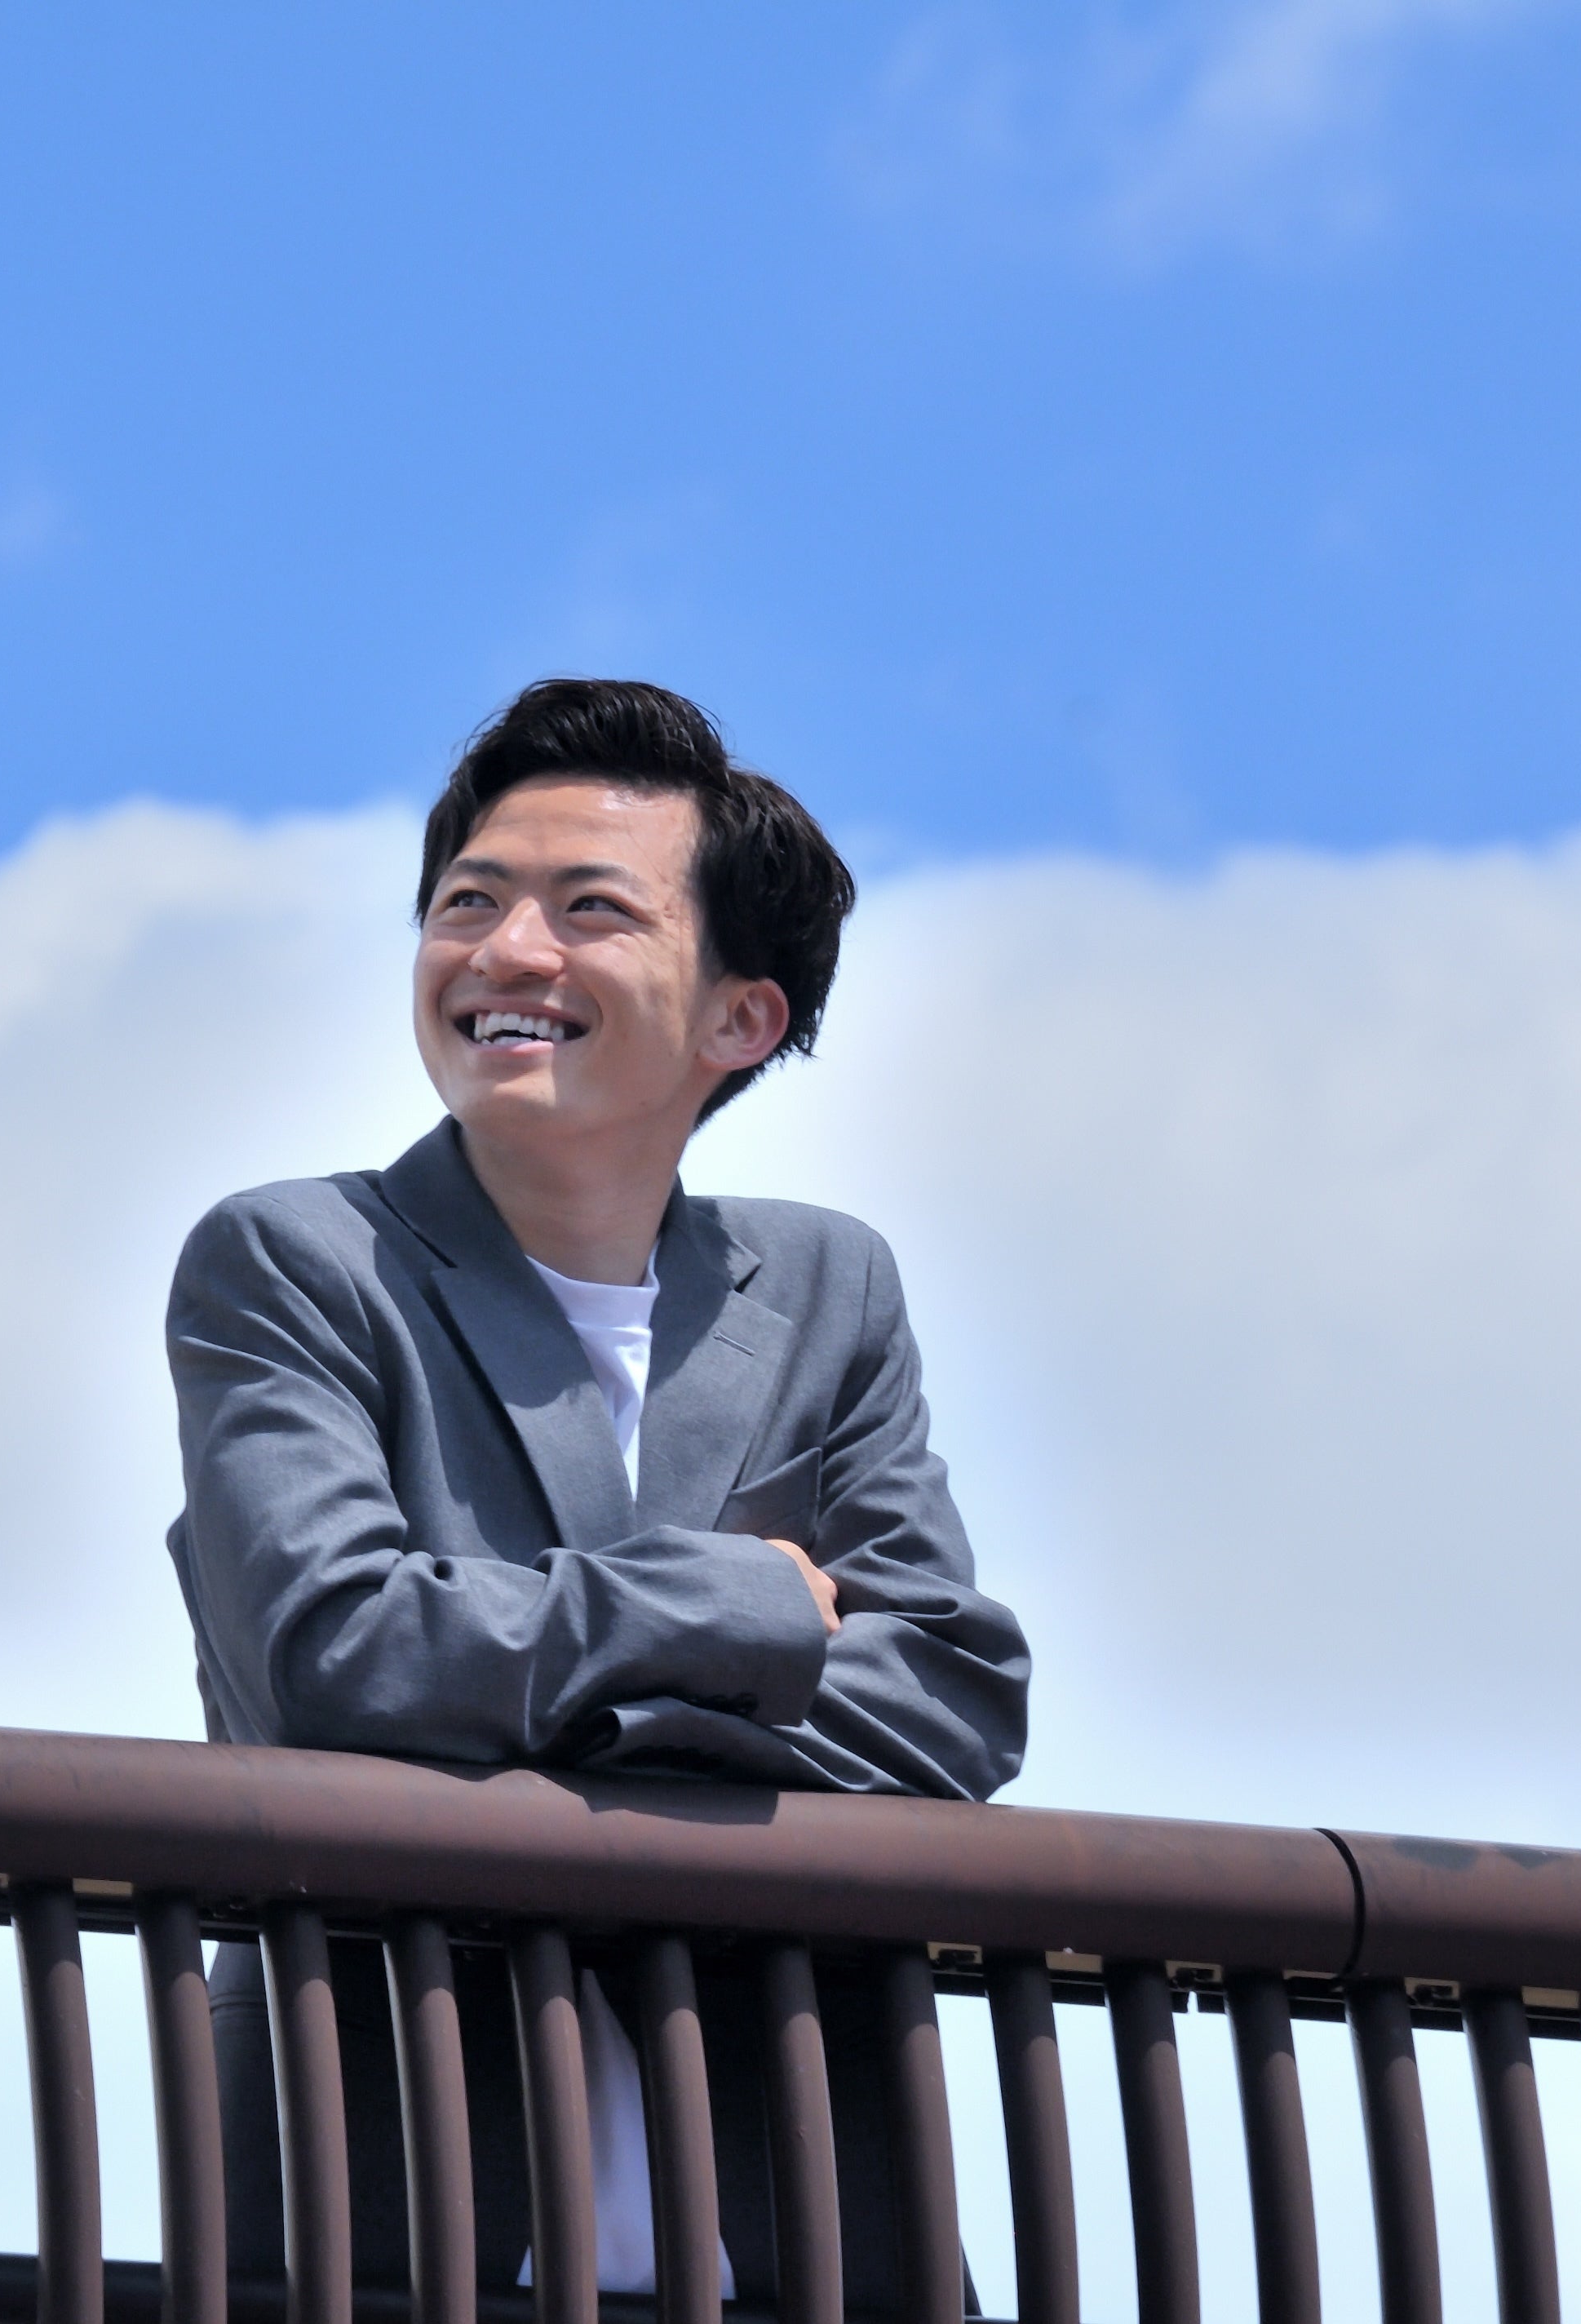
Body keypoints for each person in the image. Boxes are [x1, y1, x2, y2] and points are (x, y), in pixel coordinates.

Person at [163, 678, 1030, 2308]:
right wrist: (743, 1609)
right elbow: (332, 1653)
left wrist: (521, 1707)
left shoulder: (828, 1290)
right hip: (395, 2214)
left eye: (589, 910)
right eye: (468, 903)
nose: (506, 953)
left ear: (738, 1018)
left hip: (806, 2231)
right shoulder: (296, 1262)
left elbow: (955, 1695)